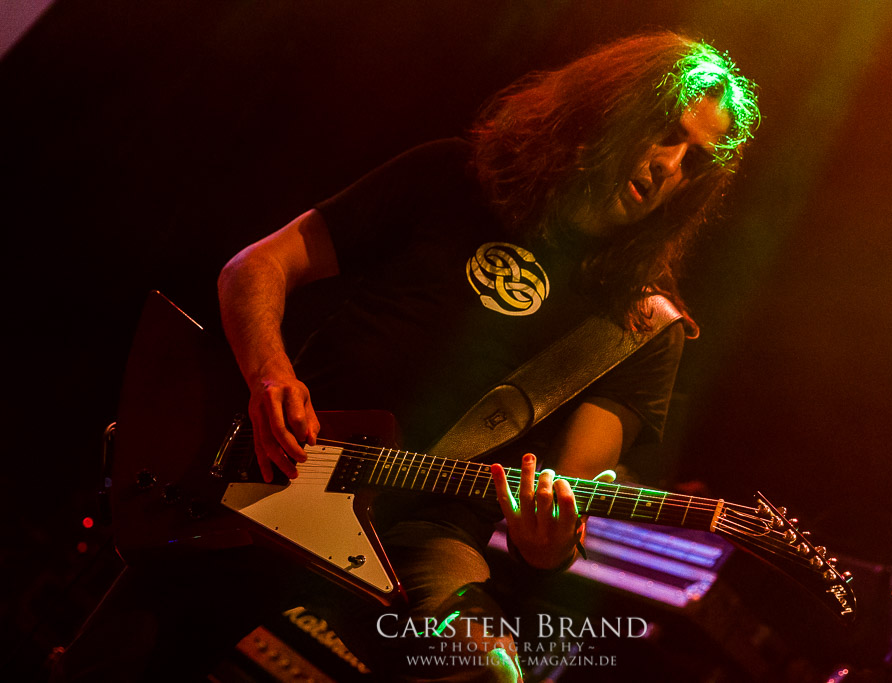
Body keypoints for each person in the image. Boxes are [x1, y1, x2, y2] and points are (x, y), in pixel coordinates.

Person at [55, 30, 758, 682]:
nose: (670, 165)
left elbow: (568, 492)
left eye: (694, 160)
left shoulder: (643, 324)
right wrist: (270, 377)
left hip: (426, 536)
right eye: (667, 133)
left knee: (486, 670)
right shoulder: (454, 176)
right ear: (613, 108)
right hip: (278, 464)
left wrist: (548, 543)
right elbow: (255, 268)